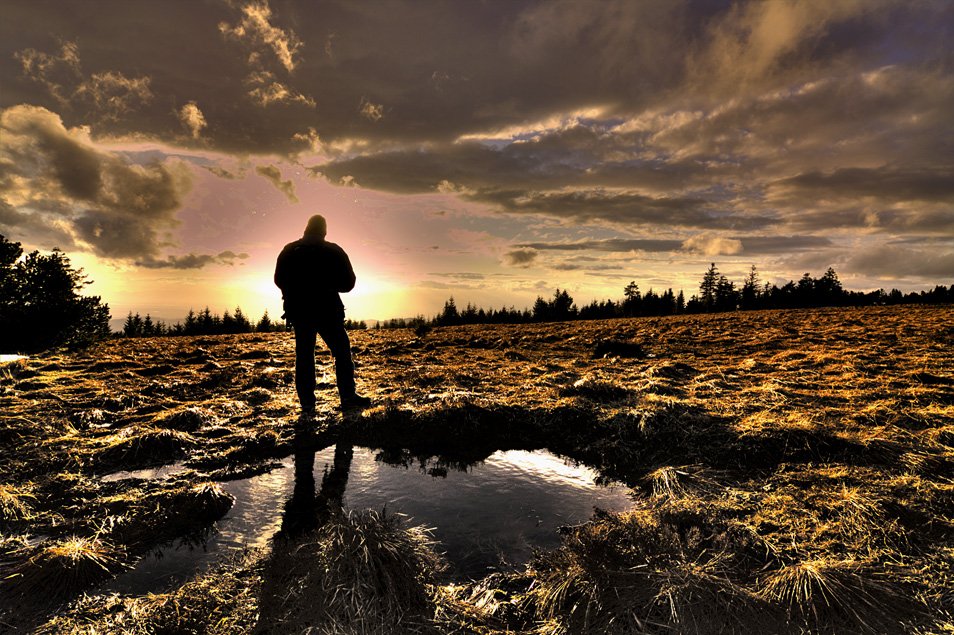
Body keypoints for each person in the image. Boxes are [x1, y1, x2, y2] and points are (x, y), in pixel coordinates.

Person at [275, 215, 371, 413]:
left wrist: (297, 290)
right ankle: (348, 396)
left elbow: (278, 279)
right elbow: (349, 283)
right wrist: (327, 284)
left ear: (306, 229)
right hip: (328, 310)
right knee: (342, 352)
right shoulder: (333, 251)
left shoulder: (289, 250)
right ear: (324, 231)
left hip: (299, 312)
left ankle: (307, 404)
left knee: (304, 356)